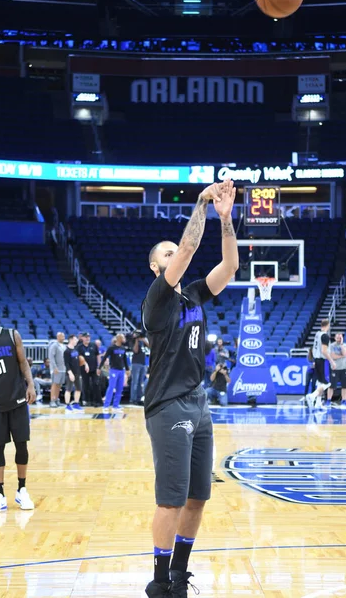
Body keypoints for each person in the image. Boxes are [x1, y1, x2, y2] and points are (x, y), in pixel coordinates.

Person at [142, 179, 238, 598]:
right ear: (155, 267)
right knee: (171, 500)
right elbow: (186, 250)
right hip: (167, 405)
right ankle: (159, 582)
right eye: (164, 253)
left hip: (198, 403)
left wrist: (226, 221)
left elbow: (230, 268)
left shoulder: (195, 294)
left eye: (171, 250)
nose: (172, 254)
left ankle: (179, 575)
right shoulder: (157, 299)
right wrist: (201, 202)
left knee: (198, 497)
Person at [0, 305, 36, 513]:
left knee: (21, 445)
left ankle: (22, 490)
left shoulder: (12, 335)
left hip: (18, 399)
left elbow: (23, 363)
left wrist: (31, 385)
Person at [306, 319, 336, 411]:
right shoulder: (325, 336)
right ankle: (312, 396)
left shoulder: (317, 334)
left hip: (317, 359)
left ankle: (318, 403)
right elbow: (324, 350)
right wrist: (331, 361)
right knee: (327, 383)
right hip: (323, 361)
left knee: (320, 382)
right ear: (328, 325)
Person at [98, 334, 130, 412]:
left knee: (120, 388)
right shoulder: (111, 348)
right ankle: (106, 405)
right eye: (123, 337)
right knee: (111, 387)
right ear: (118, 339)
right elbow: (104, 357)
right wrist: (99, 368)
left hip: (121, 371)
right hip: (113, 370)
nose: (124, 339)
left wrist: (127, 369)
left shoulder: (123, 348)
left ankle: (116, 406)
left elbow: (125, 360)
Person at [326, 333, 346, 410]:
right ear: (335, 338)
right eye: (338, 338)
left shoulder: (344, 345)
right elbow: (333, 356)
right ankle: (328, 401)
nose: (339, 339)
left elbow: (345, 353)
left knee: (344, 386)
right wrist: (342, 356)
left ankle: (343, 401)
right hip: (335, 368)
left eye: (340, 338)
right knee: (331, 386)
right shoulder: (331, 346)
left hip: (344, 368)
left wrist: (341, 344)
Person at [64, 334, 87, 412]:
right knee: (68, 389)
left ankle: (76, 404)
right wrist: (70, 373)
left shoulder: (76, 350)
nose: (77, 340)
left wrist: (85, 364)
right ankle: (67, 405)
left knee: (79, 389)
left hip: (78, 372)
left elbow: (80, 359)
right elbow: (66, 364)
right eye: (75, 339)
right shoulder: (66, 351)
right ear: (71, 340)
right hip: (70, 373)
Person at [78, 332, 102, 407]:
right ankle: (86, 400)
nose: (87, 338)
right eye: (86, 337)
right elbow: (78, 357)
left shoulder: (94, 345)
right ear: (82, 338)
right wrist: (85, 364)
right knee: (86, 385)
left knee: (96, 383)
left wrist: (99, 366)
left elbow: (98, 356)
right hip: (83, 369)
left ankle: (97, 401)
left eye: (88, 336)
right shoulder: (79, 347)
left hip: (94, 368)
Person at [130, 330, 149, 405]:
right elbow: (135, 350)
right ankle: (132, 399)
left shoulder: (144, 341)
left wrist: (144, 340)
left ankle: (138, 398)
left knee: (140, 383)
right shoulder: (132, 341)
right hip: (136, 363)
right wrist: (136, 341)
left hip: (143, 364)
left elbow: (150, 347)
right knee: (135, 382)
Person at [48, 332, 66, 408]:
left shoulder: (64, 346)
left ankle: (56, 400)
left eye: (64, 336)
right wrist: (54, 367)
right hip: (56, 369)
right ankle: (52, 400)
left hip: (63, 368)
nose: (63, 337)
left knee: (59, 385)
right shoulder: (54, 345)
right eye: (62, 336)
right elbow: (51, 357)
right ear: (58, 337)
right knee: (54, 384)